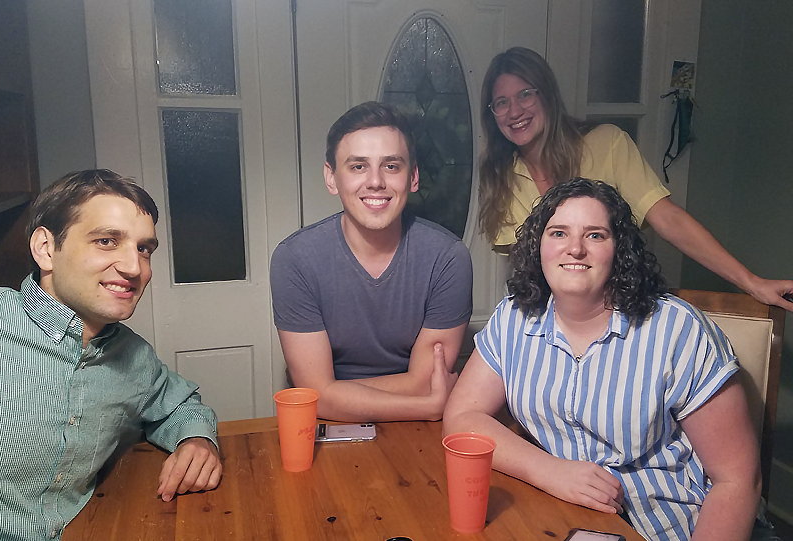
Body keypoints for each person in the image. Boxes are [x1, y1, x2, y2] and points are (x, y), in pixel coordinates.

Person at [444, 178, 763, 541]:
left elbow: (738, 479)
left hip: (668, 528)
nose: (575, 249)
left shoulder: (677, 331)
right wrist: (551, 471)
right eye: (558, 233)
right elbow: (461, 418)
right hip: (561, 519)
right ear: (539, 246)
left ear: (620, 250)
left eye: (595, 235)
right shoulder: (514, 318)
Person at [0, 170, 222, 541]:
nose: (134, 268)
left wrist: (196, 440)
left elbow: (181, 406)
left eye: (144, 249)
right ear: (46, 249)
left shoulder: (133, 356)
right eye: (105, 241)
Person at [478, 46, 793, 312]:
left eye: (525, 94)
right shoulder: (500, 176)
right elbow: (527, 272)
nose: (514, 110)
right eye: (501, 102)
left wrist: (750, 281)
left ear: (547, 96)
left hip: (621, 310)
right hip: (551, 319)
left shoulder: (607, 143)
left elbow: (668, 218)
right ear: (492, 114)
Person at [270, 102, 473, 422]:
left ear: (414, 177)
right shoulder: (295, 259)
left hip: (415, 430)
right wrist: (428, 405)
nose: (375, 181)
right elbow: (315, 398)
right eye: (358, 166)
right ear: (331, 177)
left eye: (391, 166)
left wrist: (333, 392)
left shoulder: (447, 258)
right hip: (328, 425)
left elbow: (424, 382)